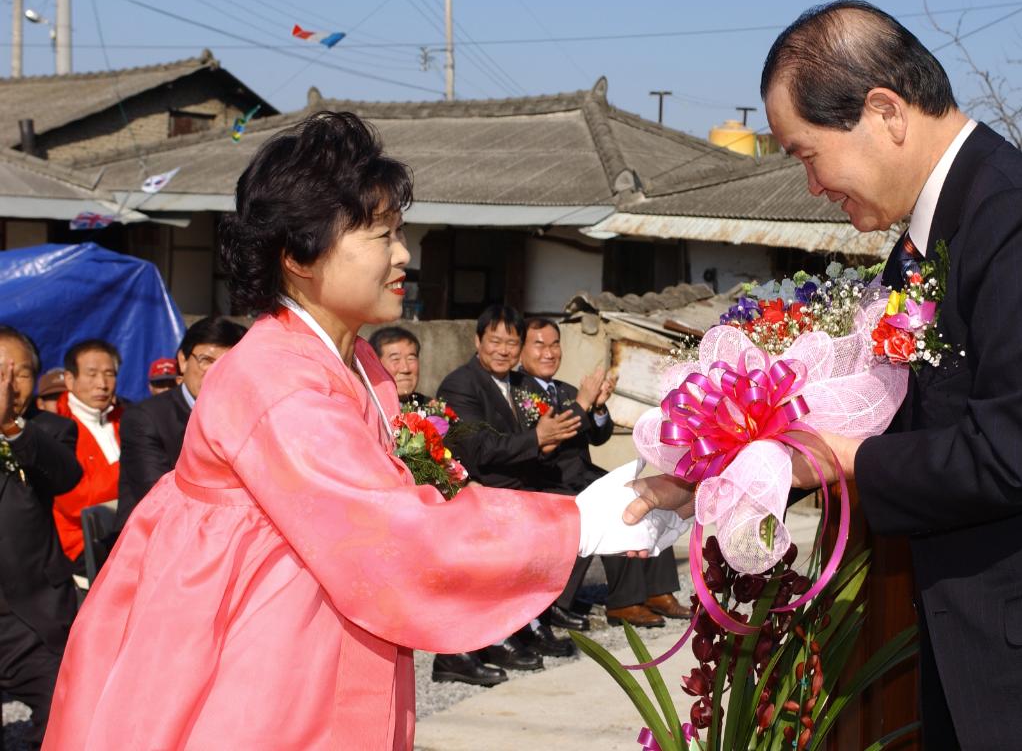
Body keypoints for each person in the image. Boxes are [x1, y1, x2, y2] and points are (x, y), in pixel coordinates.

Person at [626, 0, 1022, 750]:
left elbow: (1019, 450)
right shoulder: (937, 236)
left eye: (806, 154)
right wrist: (723, 461)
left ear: (885, 110)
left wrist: (842, 458)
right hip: (1019, 658)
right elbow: (891, 405)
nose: (811, 187)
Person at [42, 111, 681, 750]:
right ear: (298, 253)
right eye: (382, 234)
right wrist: (582, 521)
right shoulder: (277, 380)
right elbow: (394, 531)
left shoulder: (350, 357)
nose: (404, 253)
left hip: (319, 620)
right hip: (257, 646)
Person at [433, 306, 584, 683]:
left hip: (517, 488)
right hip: (478, 491)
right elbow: (477, 447)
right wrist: (537, 438)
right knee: (492, 573)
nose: (503, 350)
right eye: (495, 341)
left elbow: (538, 437)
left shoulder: (517, 384)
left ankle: (521, 626)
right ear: (477, 341)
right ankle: (480, 643)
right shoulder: (461, 384)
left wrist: (547, 439)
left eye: (511, 343)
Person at [519, 317, 690, 631]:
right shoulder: (519, 391)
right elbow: (540, 442)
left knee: (649, 495)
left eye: (554, 344)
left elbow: (598, 436)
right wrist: (584, 403)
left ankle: (658, 591)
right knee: (613, 506)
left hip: (583, 475)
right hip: (549, 479)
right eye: (539, 344)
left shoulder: (566, 389)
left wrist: (597, 408)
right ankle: (625, 600)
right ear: (522, 349)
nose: (548, 352)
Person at [0, 326, 81, 750]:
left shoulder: (46, 429)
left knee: (63, 712)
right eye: (0, 373)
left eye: (22, 373)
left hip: (31, 619)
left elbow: (67, 474)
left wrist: (10, 425)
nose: (10, 386)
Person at [115, 317, 247, 532]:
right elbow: (158, 500)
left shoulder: (244, 416)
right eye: (206, 359)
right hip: (155, 539)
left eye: (226, 363)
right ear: (183, 360)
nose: (215, 371)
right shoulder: (144, 419)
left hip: (226, 534)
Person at [52, 339, 124, 567]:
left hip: (130, 532)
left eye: (109, 374)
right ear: (70, 380)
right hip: (83, 545)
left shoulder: (128, 418)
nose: (102, 384)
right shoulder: (55, 428)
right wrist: (132, 468)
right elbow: (76, 500)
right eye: (91, 374)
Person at [369, 326, 427, 406]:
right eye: (395, 359)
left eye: (411, 358)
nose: (405, 369)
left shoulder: (430, 407)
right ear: (375, 365)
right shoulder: (365, 409)